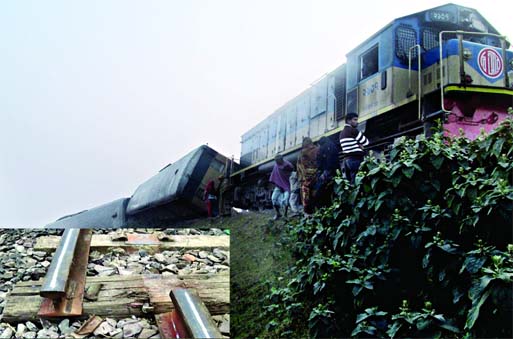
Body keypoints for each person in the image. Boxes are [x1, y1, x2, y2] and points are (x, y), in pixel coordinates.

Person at [339, 112, 369, 184]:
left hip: (347, 161)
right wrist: (359, 144)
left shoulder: (341, 133)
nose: (357, 122)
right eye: (355, 120)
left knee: (351, 183)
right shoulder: (353, 131)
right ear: (349, 121)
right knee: (358, 182)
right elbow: (366, 142)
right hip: (356, 159)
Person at [297, 137, 319, 216]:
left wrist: (301, 178)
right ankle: (317, 212)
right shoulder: (317, 150)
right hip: (316, 177)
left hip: (305, 180)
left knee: (306, 197)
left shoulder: (301, 154)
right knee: (315, 195)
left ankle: (308, 214)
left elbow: (299, 167)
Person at [316, 136, 340, 206]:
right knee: (335, 188)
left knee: (325, 190)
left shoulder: (322, 148)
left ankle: (328, 205)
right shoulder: (333, 145)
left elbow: (319, 162)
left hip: (327, 172)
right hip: (335, 170)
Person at [269, 154, 294, 220]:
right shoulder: (276, 166)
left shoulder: (287, 165)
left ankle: (285, 214)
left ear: (281, 160)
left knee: (285, 200)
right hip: (278, 185)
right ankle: (278, 214)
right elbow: (274, 175)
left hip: (286, 185)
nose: (276, 162)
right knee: (273, 199)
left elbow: (292, 170)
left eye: (278, 161)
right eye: (276, 161)